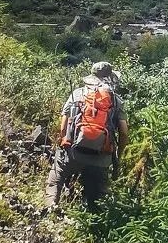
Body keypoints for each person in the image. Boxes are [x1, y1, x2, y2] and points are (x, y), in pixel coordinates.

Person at [45, 61, 128, 210]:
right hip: (102, 157)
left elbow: (64, 123)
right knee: (98, 193)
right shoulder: (115, 100)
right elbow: (123, 132)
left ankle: (50, 206)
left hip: (74, 153)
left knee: (57, 176)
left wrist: (64, 142)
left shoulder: (78, 94)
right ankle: (96, 222)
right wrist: (117, 157)